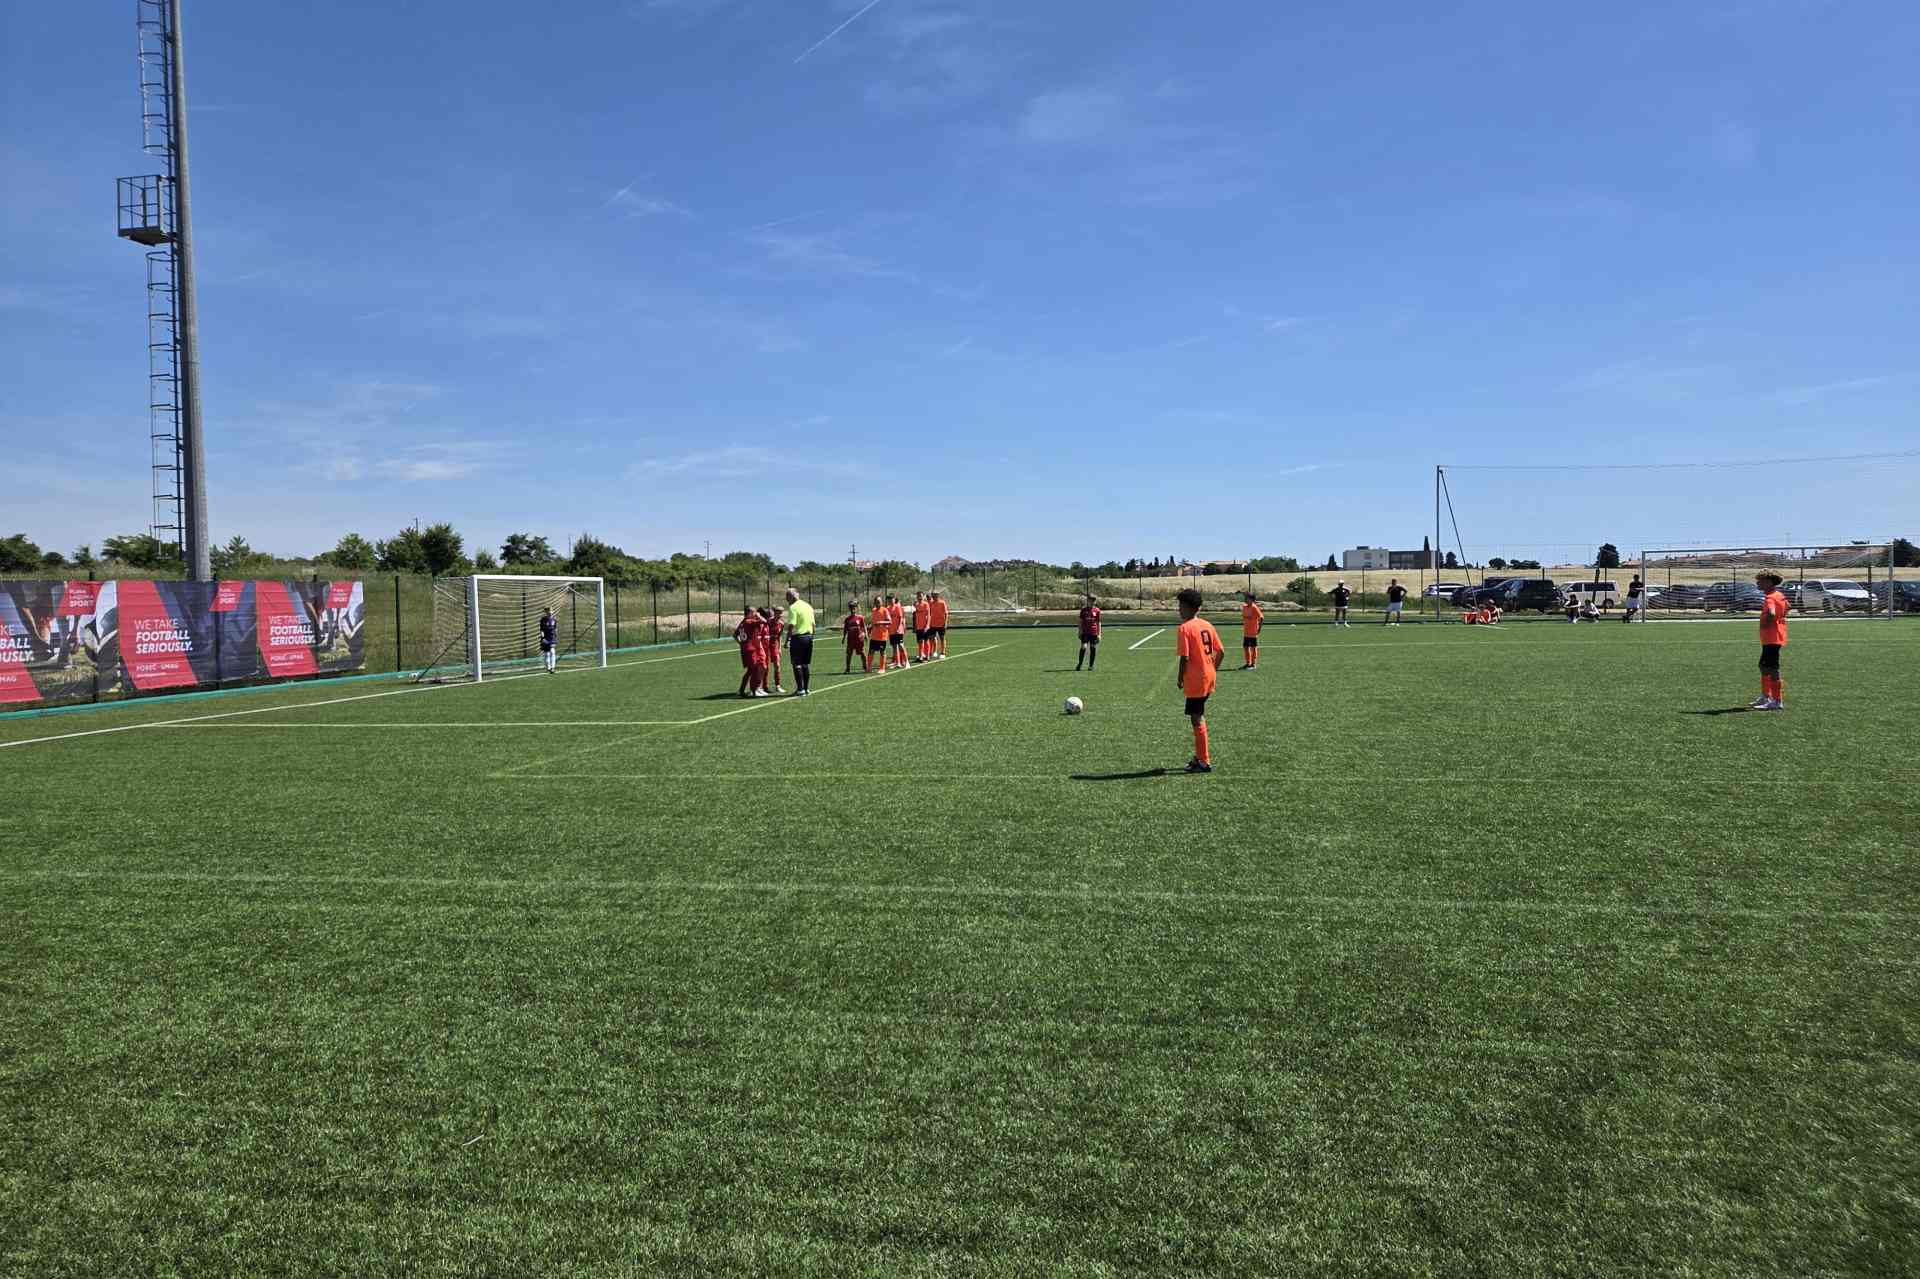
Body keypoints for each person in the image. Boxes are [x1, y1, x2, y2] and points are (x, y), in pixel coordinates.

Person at [1174, 588, 1225, 773]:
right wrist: (1213, 670)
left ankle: (1204, 761)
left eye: (1180, 605)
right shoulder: (1207, 625)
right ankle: (1200, 756)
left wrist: (1180, 678)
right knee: (1197, 714)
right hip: (1208, 676)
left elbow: (1185, 658)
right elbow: (1221, 651)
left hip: (1196, 679)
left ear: (1188, 607)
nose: (1178, 609)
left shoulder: (1185, 628)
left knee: (1197, 718)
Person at [1753, 571, 1790, 710]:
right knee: (1763, 666)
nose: (1758, 583)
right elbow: (1788, 606)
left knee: (1772, 668)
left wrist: (1766, 624)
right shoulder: (1779, 595)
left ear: (1768, 582)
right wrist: (1780, 619)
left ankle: (1776, 700)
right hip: (1775, 636)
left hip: (1772, 637)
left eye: (1760, 581)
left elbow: (1771, 613)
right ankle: (1765, 696)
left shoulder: (1769, 598)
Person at [784, 588, 816, 696]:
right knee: (805, 664)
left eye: (787, 597)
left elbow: (792, 625)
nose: (786, 599)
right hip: (809, 637)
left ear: (791, 597)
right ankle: (806, 689)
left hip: (798, 638)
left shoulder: (793, 608)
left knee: (796, 664)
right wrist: (812, 637)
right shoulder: (808, 606)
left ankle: (800, 689)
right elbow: (813, 625)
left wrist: (787, 640)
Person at [867, 595, 893, 674]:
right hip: (874, 635)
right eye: (876, 602)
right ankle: (869, 667)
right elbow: (873, 622)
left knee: (882, 652)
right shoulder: (874, 610)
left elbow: (889, 621)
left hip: (882, 636)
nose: (877, 603)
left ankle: (882, 668)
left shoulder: (885, 610)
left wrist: (880, 623)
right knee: (871, 651)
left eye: (879, 601)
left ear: (881, 602)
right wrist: (870, 628)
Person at [1076, 594, 1101, 671]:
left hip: (1093, 632)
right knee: (1084, 647)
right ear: (1087, 601)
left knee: (1093, 647)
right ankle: (1080, 664)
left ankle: (1091, 666)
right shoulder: (1083, 610)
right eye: (1090, 600)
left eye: (1093, 601)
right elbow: (1080, 621)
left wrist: (1099, 634)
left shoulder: (1097, 610)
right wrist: (1079, 631)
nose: (1091, 602)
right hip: (1085, 632)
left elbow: (1098, 623)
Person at [842, 599, 867, 674]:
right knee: (849, 653)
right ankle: (848, 668)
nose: (852, 609)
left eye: (854, 607)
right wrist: (843, 638)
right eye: (851, 608)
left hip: (859, 639)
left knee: (862, 653)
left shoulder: (860, 618)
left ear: (856, 608)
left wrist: (866, 635)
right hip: (850, 640)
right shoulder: (847, 619)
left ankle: (865, 667)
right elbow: (845, 629)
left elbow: (864, 626)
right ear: (849, 609)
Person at [767, 606, 787, 694]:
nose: (781, 615)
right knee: (765, 667)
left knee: (777, 666)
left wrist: (779, 648)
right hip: (766, 646)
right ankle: (764, 686)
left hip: (774, 646)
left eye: (782, 613)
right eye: (779, 612)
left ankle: (777, 686)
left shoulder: (781, 624)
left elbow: (780, 636)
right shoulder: (768, 621)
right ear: (775, 612)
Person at [1240, 592, 1263, 668]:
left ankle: (1253, 664)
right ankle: (1248, 663)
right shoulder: (1244, 607)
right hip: (1246, 632)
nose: (1245, 599)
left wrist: (1259, 628)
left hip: (1253, 632)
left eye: (1247, 598)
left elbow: (1261, 617)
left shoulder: (1254, 607)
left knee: (1253, 648)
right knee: (1246, 648)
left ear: (1252, 600)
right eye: (1245, 598)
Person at [887, 594, 908, 670]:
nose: (890, 601)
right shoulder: (888, 608)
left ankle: (907, 662)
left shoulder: (898, 607)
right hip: (891, 631)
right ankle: (898, 662)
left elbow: (900, 619)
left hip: (898, 631)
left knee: (901, 645)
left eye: (891, 599)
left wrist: (898, 628)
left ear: (894, 599)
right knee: (894, 647)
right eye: (889, 599)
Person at [913, 591, 933, 663]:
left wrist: (927, 625)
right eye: (918, 596)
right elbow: (915, 616)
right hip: (918, 627)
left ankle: (927, 657)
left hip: (925, 627)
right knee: (920, 642)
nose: (919, 597)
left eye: (921, 596)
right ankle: (920, 656)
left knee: (926, 641)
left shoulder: (926, 604)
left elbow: (928, 615)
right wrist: (915, 626)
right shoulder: (916, 605)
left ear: (923, 596)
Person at [929, 590, 949, 658]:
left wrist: (945, 622)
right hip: (932, 624)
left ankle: (943, 653)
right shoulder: (930, 603)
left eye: (936, 595)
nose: (934, 596)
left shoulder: (942, 603)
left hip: (941, 624)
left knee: (942, 638)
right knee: (932, 638)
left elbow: (946, 613)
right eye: (933, 595)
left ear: (938, 595)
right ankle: (934, 651)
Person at [539, 606, 559, 673]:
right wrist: (543, 638)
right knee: (547, 653)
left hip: (552, 638)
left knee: (553, 652)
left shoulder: (554, 619)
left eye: (551, 611)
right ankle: (548, 668)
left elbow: (555, 629)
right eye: (548, 611)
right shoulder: (543, 619)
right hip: (546, 638)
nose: (550, 612)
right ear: (546, 612)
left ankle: (553, 668)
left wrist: (556, 636)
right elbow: (541, 630)